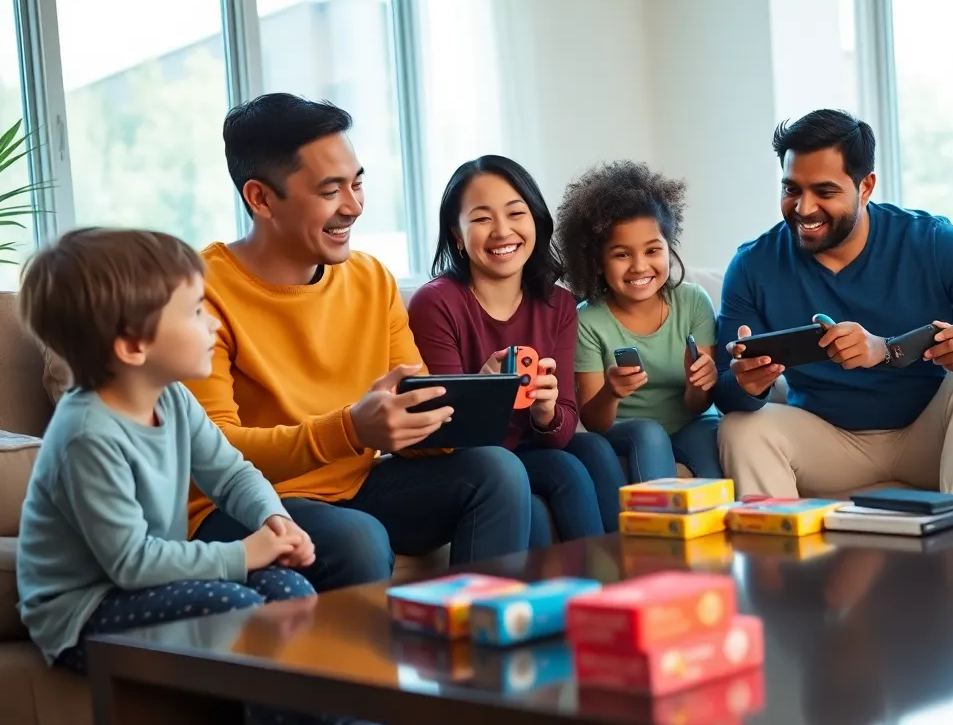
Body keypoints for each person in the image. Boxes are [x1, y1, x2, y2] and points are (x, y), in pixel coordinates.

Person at [15, 228, 401, 725]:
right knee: (239, 611)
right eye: (196, 311)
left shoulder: (171, 398)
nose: (214, 322)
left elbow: (232, 471)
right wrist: (245, 553)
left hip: (152, 582)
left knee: (292, 593)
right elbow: (130, 563)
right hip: (83, 612)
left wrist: (275, 520)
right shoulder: (87, 434)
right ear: (133, 345)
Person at [188, 93, 532, 592]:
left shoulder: (371, 279)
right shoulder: (198, 290)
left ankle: (484, 642)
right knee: (358, 538)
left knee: (496, 471)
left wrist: (461, 403)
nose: (353, 206)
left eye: (357, 182)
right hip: (243, 505)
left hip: (355, 486)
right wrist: (350, 430)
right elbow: (214, 449)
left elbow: (408, 410)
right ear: (260, 198)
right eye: (331, 191)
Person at [714, 109, 953, 498]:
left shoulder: (934, 243)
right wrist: (745, 384)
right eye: (791, 190)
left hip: (931, 439)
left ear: (866, 186)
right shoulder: (753, 264)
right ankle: (782, 555)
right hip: (827, 443)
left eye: (824, 192)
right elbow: (722, 389)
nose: (804, 208)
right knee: (740, 428)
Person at [406, 155, 624, 544]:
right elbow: (446, 436)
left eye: (515, 213)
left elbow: (561, 431)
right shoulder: (434, 303)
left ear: (536, 221)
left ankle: (620, 584)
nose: (502, 231)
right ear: (456, 234)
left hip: (528, 449)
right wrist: (482, 393)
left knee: (593, 451)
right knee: (557, 480)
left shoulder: (559, 304)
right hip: (473, 461)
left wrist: (545, 412)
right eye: (481, 218)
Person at [554, 160, 723, 481]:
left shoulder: (694, 301)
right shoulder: (588, 321)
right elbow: (594, 421)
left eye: (652, 250)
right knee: (648, 433)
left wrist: (698, 382)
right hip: (627, 430)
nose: (639, 266)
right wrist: (612, 392)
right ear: (599, 262)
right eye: (622, 254)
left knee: (716, 465)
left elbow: (698, 405)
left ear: (668, 250)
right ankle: (652, 527)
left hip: (693, 422)